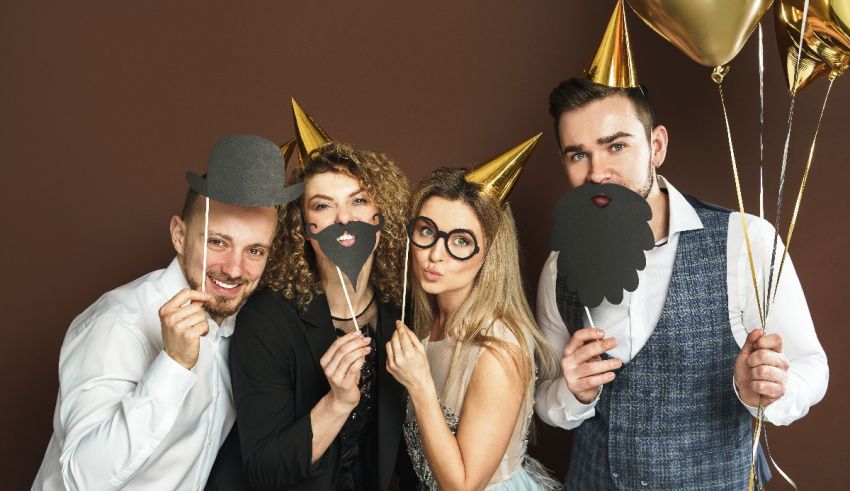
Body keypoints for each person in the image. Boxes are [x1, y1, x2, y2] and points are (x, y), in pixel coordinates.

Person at [534, 77, 829, 489]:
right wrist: (574, 393)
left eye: (615, 145)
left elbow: (812, 366)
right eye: (578, 154)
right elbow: (545, 398)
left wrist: (770, 390)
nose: (597, 172)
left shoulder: (746, 241)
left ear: (656, 146)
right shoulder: (558, 267)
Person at [32, 135, 302, 490]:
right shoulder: (117, 324)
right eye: (217, 242)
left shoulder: (247, 328)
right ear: (178, 234)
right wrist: (173, 365)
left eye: (254, 251)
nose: (235, 269)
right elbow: (82, 479)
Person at [227, 141, 416, 490]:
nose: (344, 218)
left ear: (382, 214)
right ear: (303, 226)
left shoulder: (403, 310)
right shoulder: (267, 320)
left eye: (358, 201)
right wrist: (336, 403)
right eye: (323, 206)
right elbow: (264, 472)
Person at [386, 139, 561, 490]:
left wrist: (419, 384)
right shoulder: (427, 322)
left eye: (461, 241)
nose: (435, 254)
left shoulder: (497, 351)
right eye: (426, 232)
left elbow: (464, 486)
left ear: (489, 254)